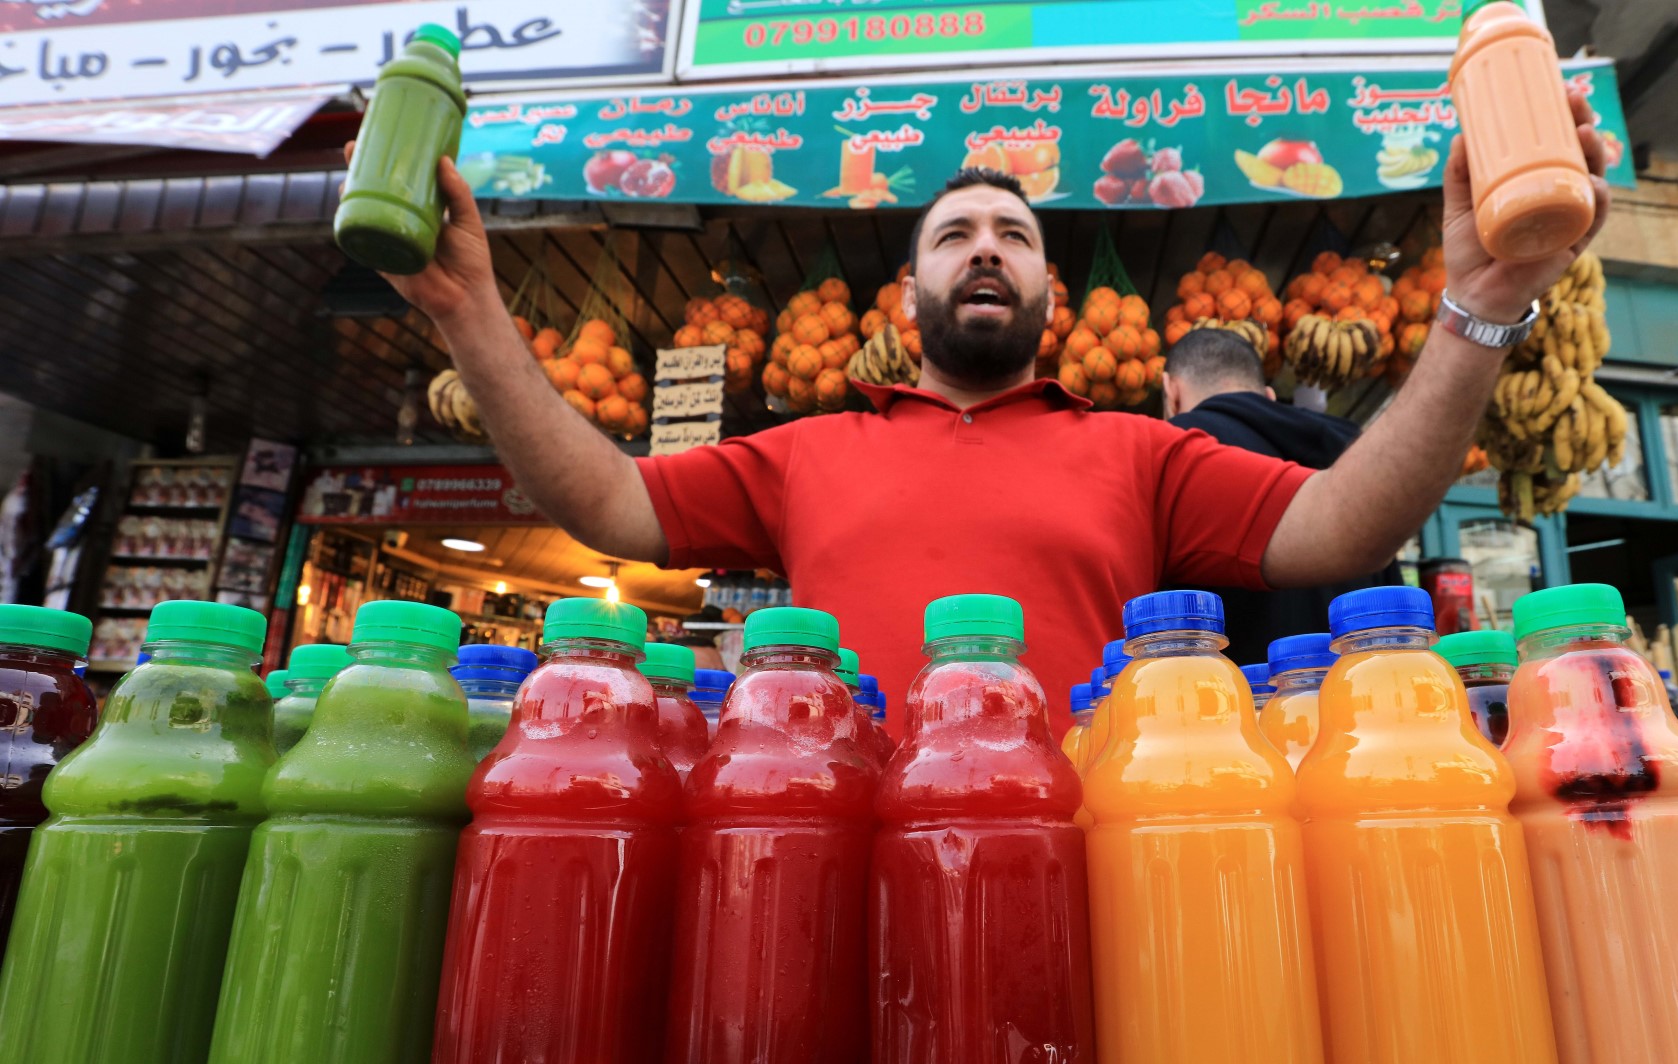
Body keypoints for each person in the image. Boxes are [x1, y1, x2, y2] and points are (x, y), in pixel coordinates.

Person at [350, 90, 1609, 733]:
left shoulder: (1143, 452)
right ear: (908, 299)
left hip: (1075, 854)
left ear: (1052, 297)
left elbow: (1344, 525)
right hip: (828, 850)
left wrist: (1483, 305)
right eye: (955, 236)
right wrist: (469, 311)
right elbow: (603, 500)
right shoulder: (803, 451)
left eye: (1014, 235)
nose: (988, 248)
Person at [1161, 328, 1402, 664]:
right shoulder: (1352, 461)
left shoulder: (1169, 457)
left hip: (1231, 693)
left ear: (1171, 392)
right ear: (1269, 397)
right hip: (1359, 688)